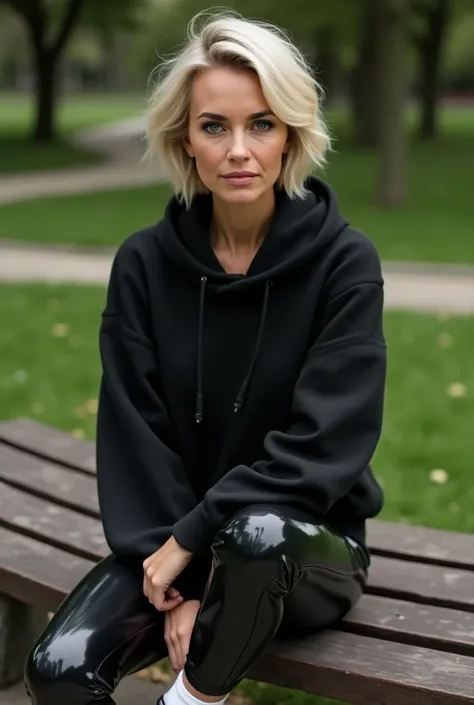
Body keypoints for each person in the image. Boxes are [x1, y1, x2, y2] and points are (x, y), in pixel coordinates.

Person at [24, 10, 387, 705]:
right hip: (168, 542)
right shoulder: (142, 265)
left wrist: (196, 546)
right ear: (185, 140)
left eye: (262, 124)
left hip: (300, 545)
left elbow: (322, 449)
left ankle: (192, 698)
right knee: (60, 671)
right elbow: (137, 437)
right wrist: (184, 585)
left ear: (291, 136)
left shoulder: (345, 264)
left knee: (256, 533)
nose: (238, 149)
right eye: (214, 126)